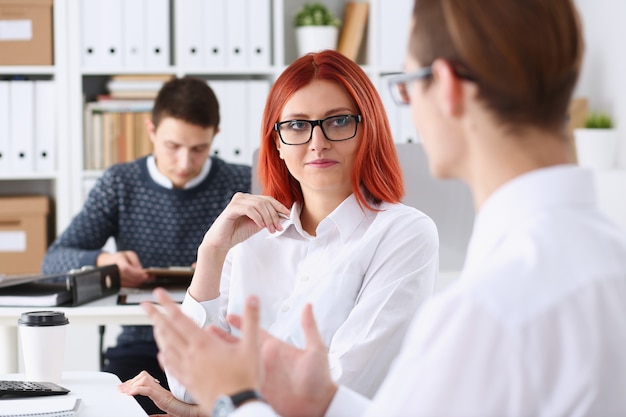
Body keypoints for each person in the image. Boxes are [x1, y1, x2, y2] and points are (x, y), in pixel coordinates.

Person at [134, 0, 626, 416]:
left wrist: (235, 397)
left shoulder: (486, 307)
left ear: (447, 86)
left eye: (407, 82)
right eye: (297, 127)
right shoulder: (598, 257)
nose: (316, 142)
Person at [120, 49, 440, 413]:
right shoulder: (249, 235)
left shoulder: (404, 234)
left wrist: (213, 407)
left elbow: (335, 391)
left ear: (368, 130)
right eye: (298, 125)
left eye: (338, 121)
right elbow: (188, 384)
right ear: (276, 142)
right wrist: (211, 253)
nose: (317, 143)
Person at [41, 76, 252, 414]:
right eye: (173, 146)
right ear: (151, 131)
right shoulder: (120, 183)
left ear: (215, 136)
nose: (185, 162)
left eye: (198, 149)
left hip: (222, 342)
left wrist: (226, 266)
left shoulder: (242, 184)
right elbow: (53, 261)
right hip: (141, 344)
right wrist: (103, 260)